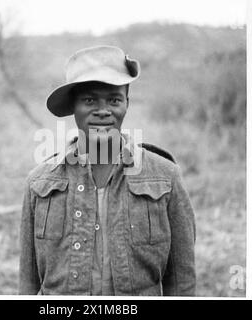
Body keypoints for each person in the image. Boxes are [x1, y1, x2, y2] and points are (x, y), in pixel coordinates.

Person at [19, 45, 196, 296]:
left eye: (114, 99)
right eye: (89, 100)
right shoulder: (39, 183)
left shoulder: (165, 178)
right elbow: (27, 285)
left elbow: (182, 283)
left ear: (127, 103)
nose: (102, 111)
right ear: (73, 105)